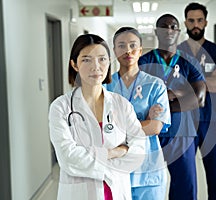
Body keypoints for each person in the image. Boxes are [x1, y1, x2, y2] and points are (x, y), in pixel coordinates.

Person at [48, 34, 146, 200]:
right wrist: (115, 152)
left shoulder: (121, 105)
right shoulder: (61, 107)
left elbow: (138, 150)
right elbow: (67, 158)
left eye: (102, 59)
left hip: (116, 191)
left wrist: (91, 158)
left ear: (109, 62)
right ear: (74, 64)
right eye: (86, 59)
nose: (96, 66)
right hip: (79, 194)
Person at [138, 14, 207, 200]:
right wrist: (183, 92)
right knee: (148, 186)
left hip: (182, 134)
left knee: (185, 187)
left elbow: (199, 99)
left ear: (178, 31)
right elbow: (141, 98)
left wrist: (163, 97)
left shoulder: (188, 61)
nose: (168, 30)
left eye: (173, 26)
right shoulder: (143, 62)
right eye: (164, 27)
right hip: (150, 135)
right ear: (156, 32)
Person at [105, 27, 171, 200]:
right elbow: (103, 127)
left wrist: (118, 123)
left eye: (133, 45)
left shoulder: (156, 85)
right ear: (114, 50)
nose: (128, 50)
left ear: (140, 51)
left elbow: (156, 127)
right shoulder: (105, 87)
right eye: (121, 45)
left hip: (149, 172)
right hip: (115, 170)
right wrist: (144, 120)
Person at [177, 3, 216, 200]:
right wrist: (209, 80)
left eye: (200, 20)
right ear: (185, 23)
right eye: (191, 21)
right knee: (184, 181)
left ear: (206, 22)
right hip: (184, 124)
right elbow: (173, 89)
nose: (195, 24)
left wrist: (191, 82)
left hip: (212, 124)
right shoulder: (177, 52)